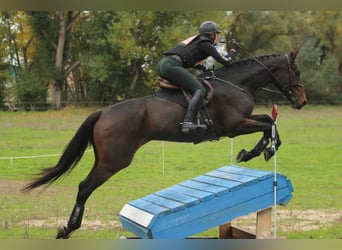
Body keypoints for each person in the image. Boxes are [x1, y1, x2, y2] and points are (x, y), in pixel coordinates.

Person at [157, 21, 239, 133]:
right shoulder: (206, 44)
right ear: (212, 35)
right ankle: (188, 122)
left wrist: (203, 68)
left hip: (163, 64)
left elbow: (188, 58)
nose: (216, 37)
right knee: (199, 89)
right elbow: (227, 62)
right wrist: (233, 49)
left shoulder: (197, 41)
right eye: (216, 34)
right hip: (171, 66)